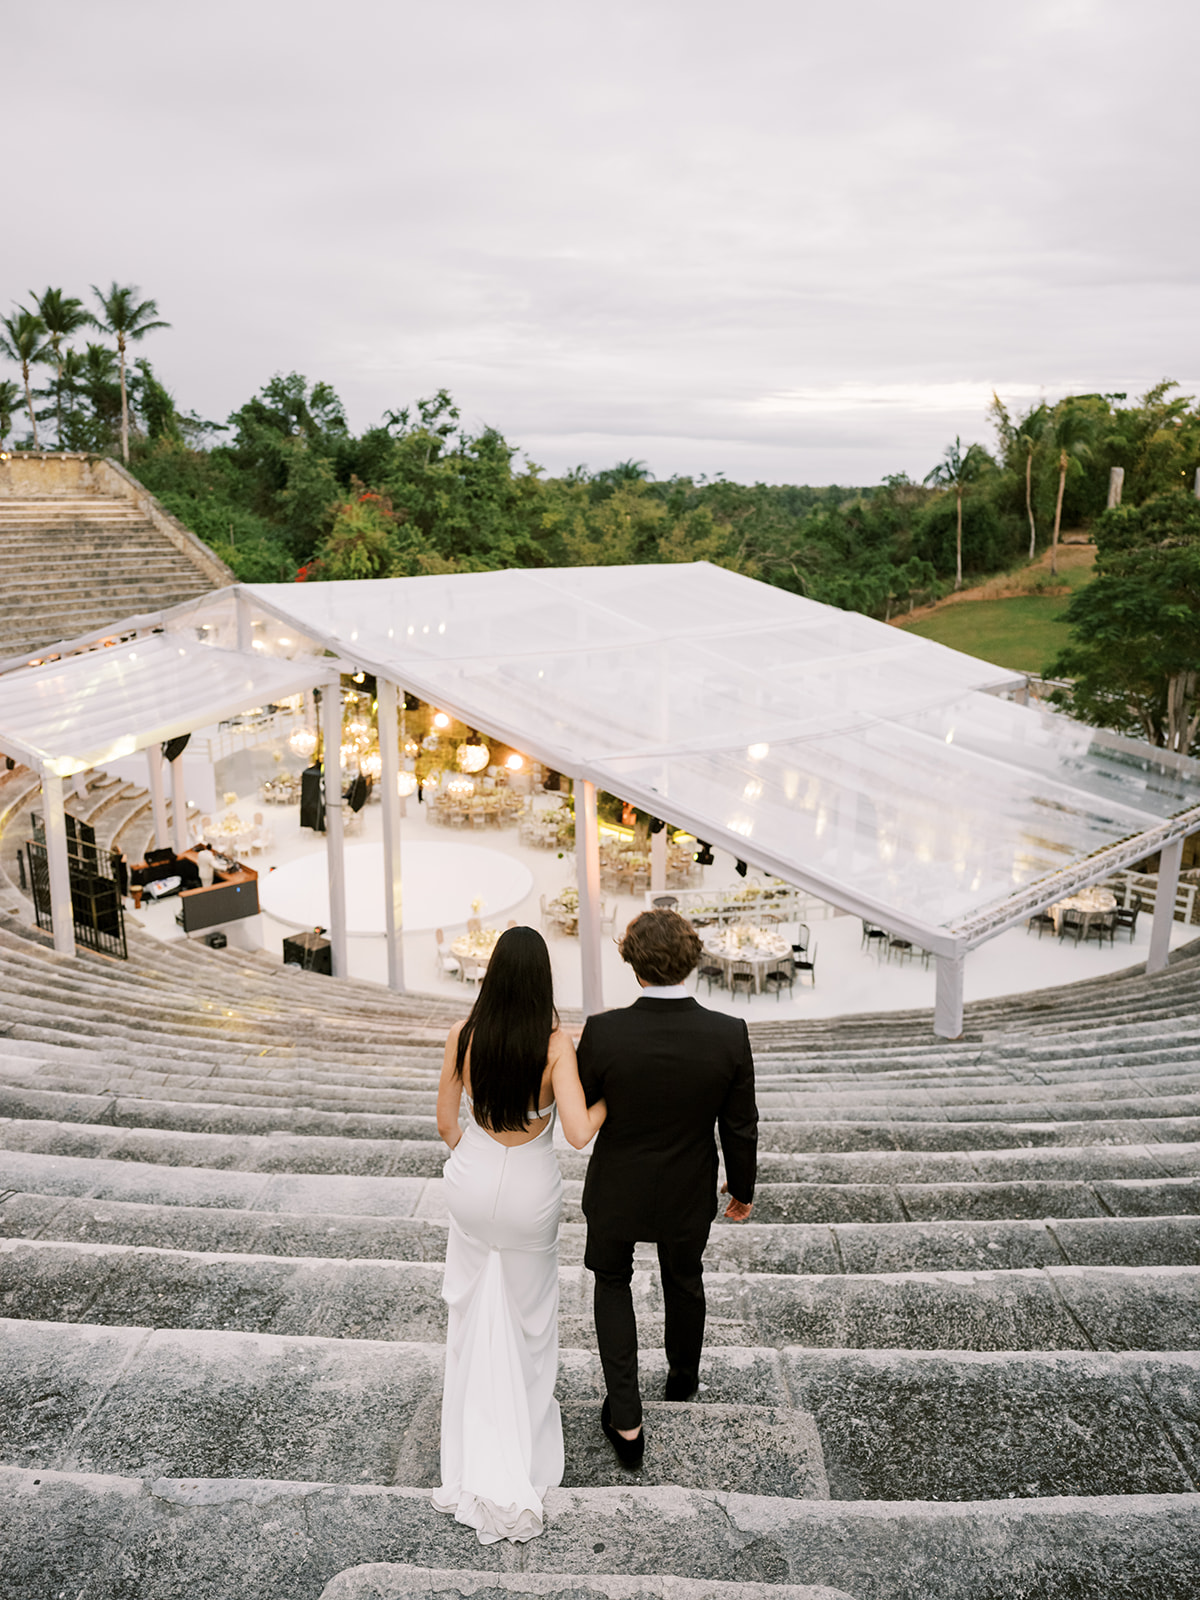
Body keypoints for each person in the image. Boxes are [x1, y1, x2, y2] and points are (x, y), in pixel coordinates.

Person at [433, 925, 606, 1544]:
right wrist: (611, 1099)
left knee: (474, 1304)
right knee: (532, 1321)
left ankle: (471, 1427)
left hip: (473, 1187)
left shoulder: (464, 1035)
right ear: (541, 981)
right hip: (531, 1194)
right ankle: (523, 1442)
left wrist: (473, 1159)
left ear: (493, 975)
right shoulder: (555, 1044)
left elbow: (446, 1121)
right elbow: (581, 1132)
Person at [577, 908, 757, 1469]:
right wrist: (742, 1186)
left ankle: (626, 1418)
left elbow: (583, 1109)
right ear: (692, 961)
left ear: (633, 966)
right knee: (685, 1280)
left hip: (616, 1188)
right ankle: (681, 1383)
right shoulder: (729, 1034)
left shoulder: (603, 1031)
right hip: (687, 1188)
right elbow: (740, 1124)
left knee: (612, 1283)